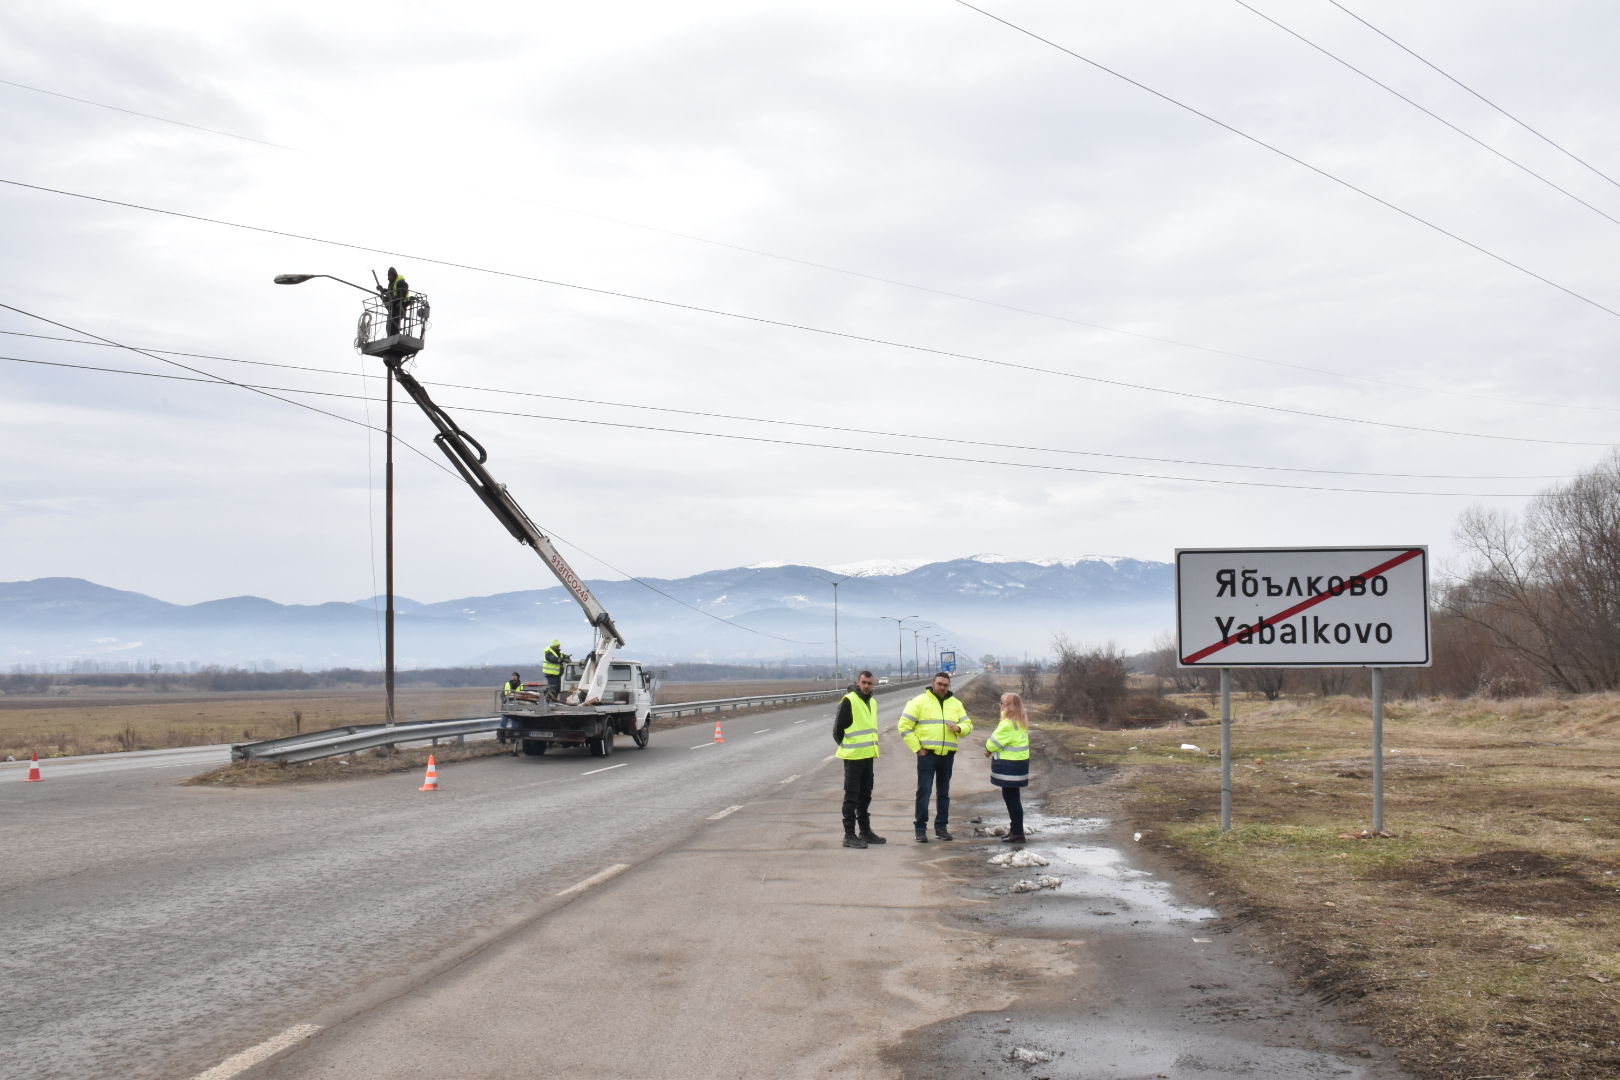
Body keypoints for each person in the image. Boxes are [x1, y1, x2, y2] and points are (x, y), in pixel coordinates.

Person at [899, 671, 972, 843]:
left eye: (946, 685)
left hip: (947, 756)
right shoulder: (919, 702)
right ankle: (920, 829)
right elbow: (904, 726)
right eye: (939, 684)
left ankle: (941, 827)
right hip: (927, 755)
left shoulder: (955, 703)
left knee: (944, 793)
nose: (942, 688)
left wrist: (960, 728)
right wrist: (918, 748)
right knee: (924, 791)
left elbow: (968, 724)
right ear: (933, 683)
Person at [833, 670, 885, 849]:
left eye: (870, 683)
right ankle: (849, 835)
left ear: (873, 684)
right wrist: (849, 746)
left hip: (868, 756)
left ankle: (865, 831)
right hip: (854, 757)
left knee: (865, 795)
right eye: (863, 682)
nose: (866, 686)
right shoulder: (849, 700)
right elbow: (837, 730)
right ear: (858, 682)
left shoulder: (873, 702)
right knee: (851, 797)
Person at [985, 692, 1032, 842]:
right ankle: (1015, 829)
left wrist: (987, 750)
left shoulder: (1007, 723)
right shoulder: (1020, 722)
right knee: (1014, 798)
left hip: (1009, 767)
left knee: (1011, 799)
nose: (1000, 706)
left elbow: (993, 742)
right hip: (1019, 766)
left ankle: (1017, 832)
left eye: (1002, 703)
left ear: (1008, 706)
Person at [382, 267, 410, 336]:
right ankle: (391, 337)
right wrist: (383, 291)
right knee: (389, 326)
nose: (390, 276)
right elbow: (390, 295)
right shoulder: (391, 284)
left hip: (400, 307)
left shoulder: (401, 282)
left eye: (392, 275)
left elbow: (402, 295)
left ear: (395, 275)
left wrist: (391, 303)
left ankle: (394, 336)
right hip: (393, 308)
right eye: (389, 275)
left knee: (394, 325)